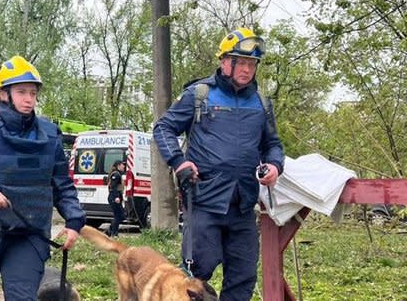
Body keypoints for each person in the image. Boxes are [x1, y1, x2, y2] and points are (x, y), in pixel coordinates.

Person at [153, 27, 285, 301]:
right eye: (242, 62)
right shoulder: (199, 94)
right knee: (196, 277)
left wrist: (274, 165)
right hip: (204, 202)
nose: (247, 70)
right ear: (225, 61)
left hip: (243, 204)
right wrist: (179, 162)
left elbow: (273, 145)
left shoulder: (261, 103)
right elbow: (163, 128)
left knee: (243, 277)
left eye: (252, 64)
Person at [0, 55, 85, 301]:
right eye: (22, 92)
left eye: (33, 92)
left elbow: (62, 184)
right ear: (3, 94)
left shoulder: (51, 136)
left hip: (28, 234)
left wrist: (74, 220)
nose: (29, 99)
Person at [106, 160, 126, 237]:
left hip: (116, 197)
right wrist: (116, 197)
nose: (124, 166)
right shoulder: (116, 175)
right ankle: (114, 233)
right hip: (114, 197)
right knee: (119, 215)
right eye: (122, 165)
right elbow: (113, 187)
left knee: (120, 215)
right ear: (118, 166)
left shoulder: (118, 174)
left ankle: (110, 231)